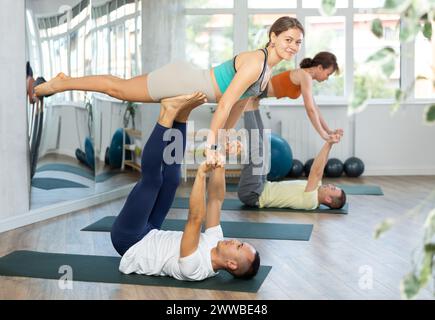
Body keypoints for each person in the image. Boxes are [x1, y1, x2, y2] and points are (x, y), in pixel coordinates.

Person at [33, 16, 305, 158]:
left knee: (120, 87)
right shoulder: (257, 62)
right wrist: (212, 145)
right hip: (183, 82)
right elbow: (223, 104)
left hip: (188, 84)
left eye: (297, 42)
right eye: (288, 39)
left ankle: (63, 81)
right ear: (273, 36)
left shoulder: (267, 71)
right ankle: (61, 83)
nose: (292, 46)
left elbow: (236, 107)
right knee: (118, 89)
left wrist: (222, 142)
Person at [111, 93, 260, 281]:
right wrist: (220, 158)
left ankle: (167, 113)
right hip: (151, 231)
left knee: (153, 181)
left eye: (238, 247)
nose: (235, 241)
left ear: (232, 264)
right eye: (241, 242)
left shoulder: (196, 268)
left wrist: (201, 174)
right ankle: (182, 116)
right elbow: (215, 199)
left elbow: (195, 218)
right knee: (172, 180)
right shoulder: (216, 241)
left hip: (130, 240)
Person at [237, 101, 346, 211]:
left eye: (332, 188)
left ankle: (246, 105)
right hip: (263, 185)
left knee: (258, 150)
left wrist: (328, 143)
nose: (330, 185)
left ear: (328, 199)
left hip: (253, 193)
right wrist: (331, 144)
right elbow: (321, 166)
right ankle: (253, 104)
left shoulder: (311, 200)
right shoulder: (316, 188)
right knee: (264, 145)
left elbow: (315, 172)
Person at [225, 52, 343, 141]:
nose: (327, 78)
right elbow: (310, 110)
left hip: (254, 99)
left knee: (260, 145)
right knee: (257, 147)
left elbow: (314, 108)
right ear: (320, 67)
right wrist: (323, 135)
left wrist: (328, 131)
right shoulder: (305, 76)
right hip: (249, 98)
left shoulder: (305, 77)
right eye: (328, 74)